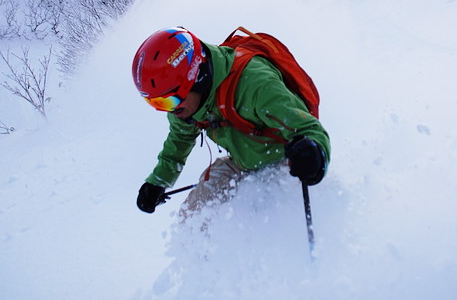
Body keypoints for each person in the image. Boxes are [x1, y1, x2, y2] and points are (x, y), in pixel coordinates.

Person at [132, 27, 331, 217]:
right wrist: (158, 182)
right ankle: (200, 252)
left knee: (265, 221)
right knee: (195, 215)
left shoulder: (255, 84)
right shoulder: (183, 106)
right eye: (157, 103)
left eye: (168, 100)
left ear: (195, 78)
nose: (170, 110)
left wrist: (314, 153)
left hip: (285, 163)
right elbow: (179, 139)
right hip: (242, 164)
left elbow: (309, 128)